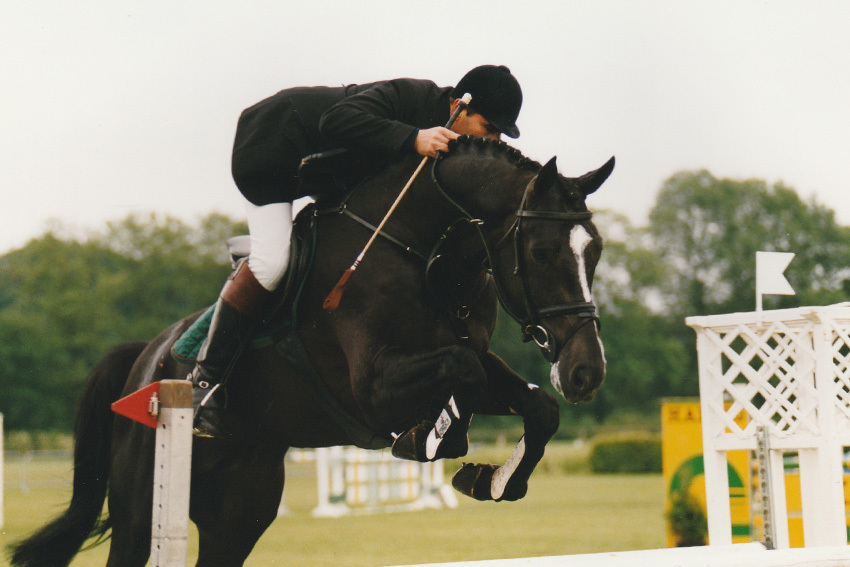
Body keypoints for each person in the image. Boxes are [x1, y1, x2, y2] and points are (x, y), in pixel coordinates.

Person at [190, 64, 523, 437]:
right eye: (488, 128)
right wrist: (414, 137)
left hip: (324, 167)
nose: (492, 140)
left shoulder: (448, 136)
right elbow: (336, 120)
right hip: (271, 148)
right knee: (273, 262)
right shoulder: (410, 96)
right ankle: (204, 382)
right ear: (459, 105)